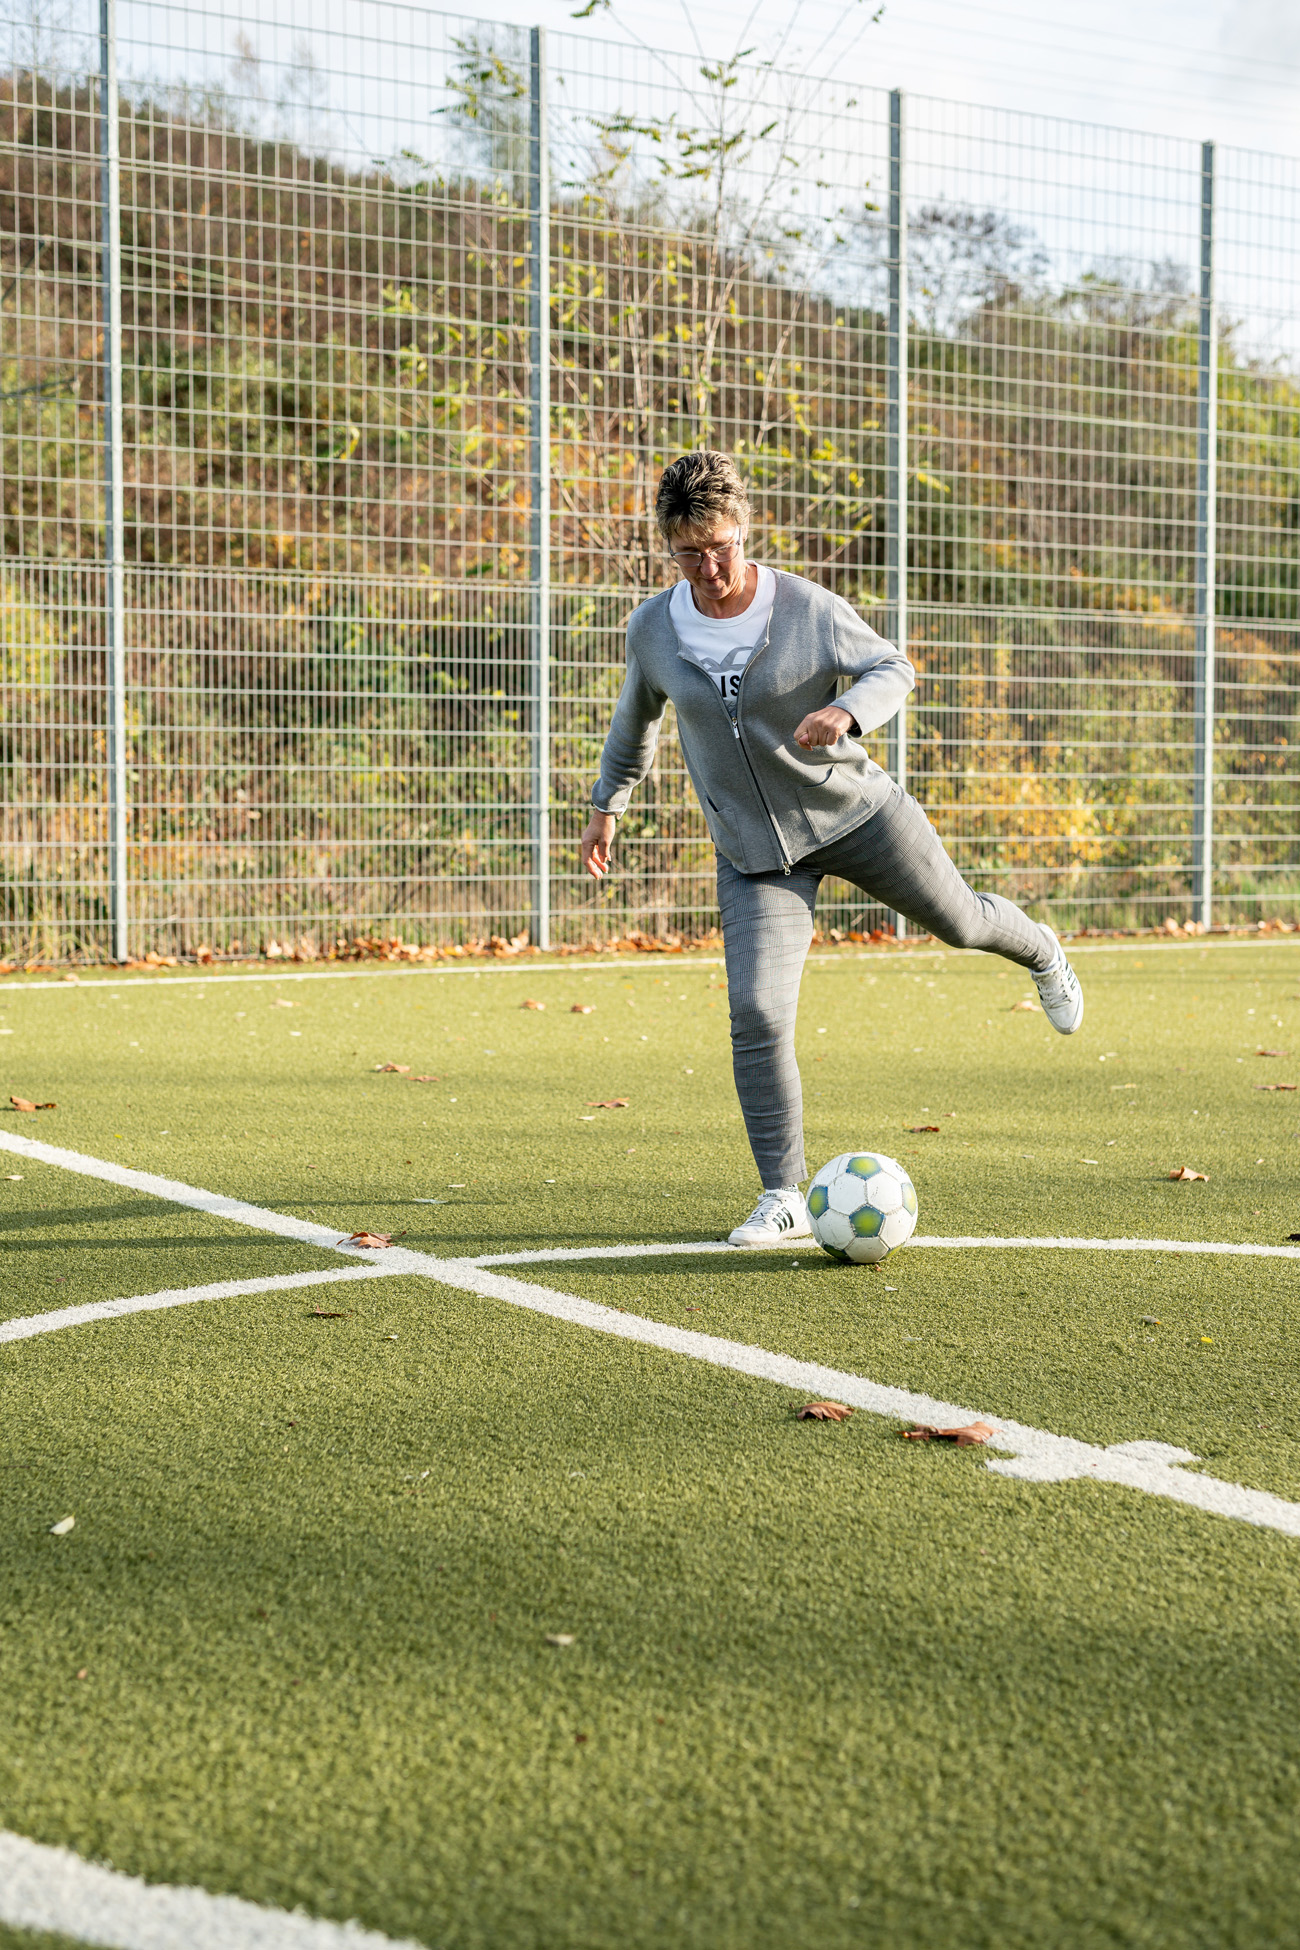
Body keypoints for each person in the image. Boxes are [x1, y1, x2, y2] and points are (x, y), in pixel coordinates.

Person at [580, 451, 1083, 1247]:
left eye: (721, 548)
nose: (708, 568)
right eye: (689, 552)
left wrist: (848, 712)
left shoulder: (807, 607)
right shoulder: (653, 628)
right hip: (755, 855)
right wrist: (608, 804)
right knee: (755, 1010)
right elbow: (635, 721)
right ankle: (781, 1193)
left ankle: (1043, 952)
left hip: (857, 815)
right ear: (668, 547)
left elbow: (893, 667)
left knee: (961, 921)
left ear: (742, 531)